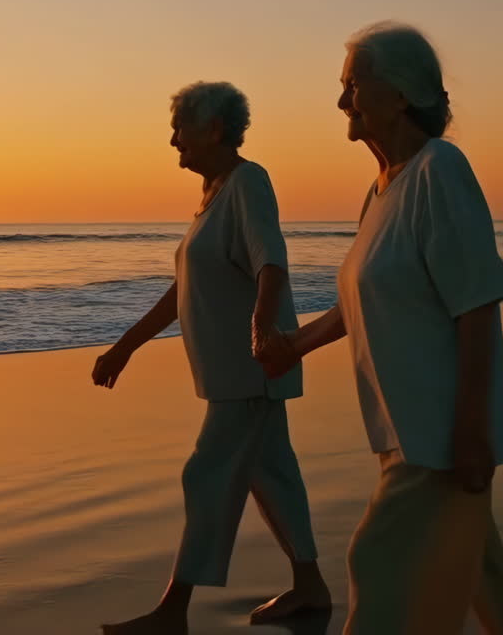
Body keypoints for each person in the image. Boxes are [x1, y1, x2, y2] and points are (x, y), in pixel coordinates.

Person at [262, 22, 503, 634]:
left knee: (376, 560)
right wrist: (293, 347)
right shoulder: (383, 190)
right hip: (403, 433)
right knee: (485, 583)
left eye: (354, 85)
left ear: (403, 93)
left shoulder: (441, 170)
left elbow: (476, 304)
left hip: (438, 439)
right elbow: (364, 304)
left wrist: (470, 431)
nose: (341, 102)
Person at [92, 81, 330, 634]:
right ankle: (310, 585)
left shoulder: (249, 182)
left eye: (181, 128)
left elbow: (271, 262)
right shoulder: (214, 196)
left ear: (215, 129)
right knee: (272, 477)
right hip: (234, 375)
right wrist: (125, 345)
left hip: (251, 370)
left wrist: (261, 329)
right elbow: (182, 293)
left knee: (207, 475)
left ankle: (173, 612)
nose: (173, 140)